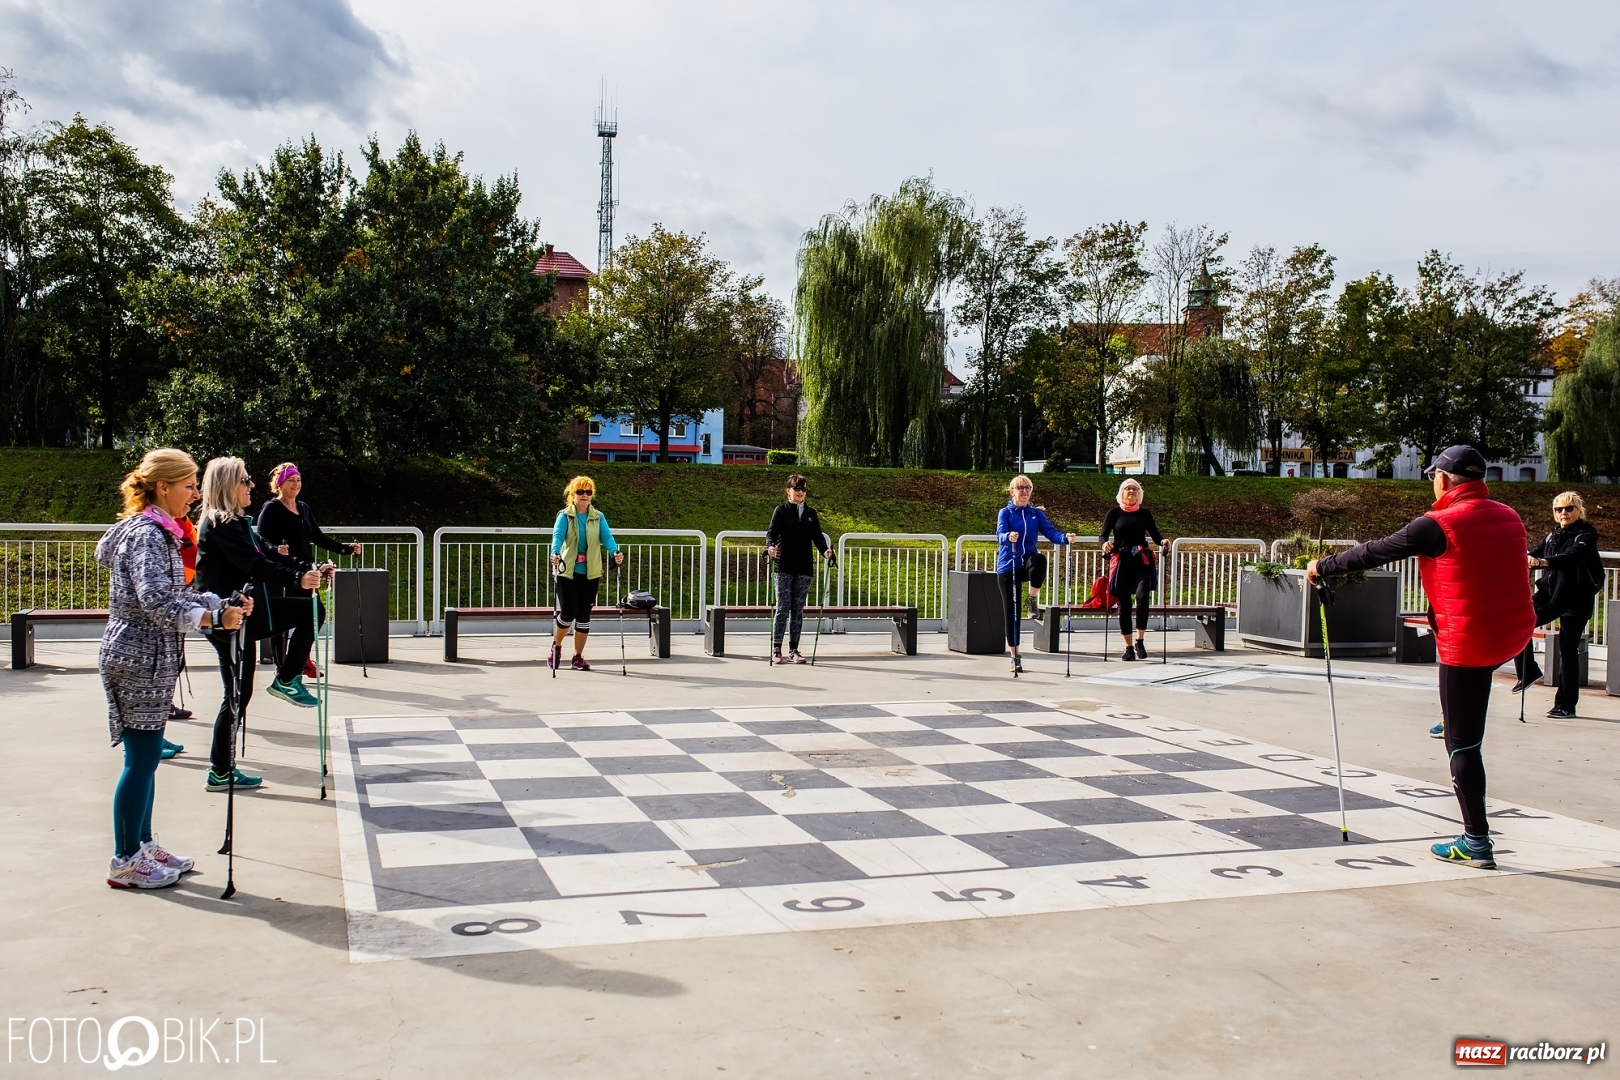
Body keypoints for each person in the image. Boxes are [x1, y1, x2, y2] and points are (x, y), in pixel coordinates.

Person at [1307, 445, 1535, 870]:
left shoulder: (1437, 524)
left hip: (1469, 642)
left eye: (1434, 475)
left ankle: (1476, 841)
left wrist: (1323, 565)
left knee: (1463, 744)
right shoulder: (1509, 514)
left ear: (1445, 479)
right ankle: (1455, 715)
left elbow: (1375, 551)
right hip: (1512, 634)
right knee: (1467, 700)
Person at [95, 448, 249, 888]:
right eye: (188, 485)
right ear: (162, 487)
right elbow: (156, 601)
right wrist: (215, 617)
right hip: (138, 655)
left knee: (145, 757)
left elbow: (172, 595)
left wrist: (222, 603)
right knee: (141, 759)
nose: (195, 493)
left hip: (149, 652)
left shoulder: (159, 530)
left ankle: (142, 844)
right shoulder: (147, 535)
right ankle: (125, 859)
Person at [196, 456, 326, 793]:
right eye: (245, 479)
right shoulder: (220, 523)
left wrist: (306, 571)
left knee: (311, 611)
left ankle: (287, 677)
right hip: (226, 620)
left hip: (246, 615)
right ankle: (220, 770)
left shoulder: (239, 521)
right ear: (228, 486)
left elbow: (267, 551)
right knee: (236, 694)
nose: (251, 485)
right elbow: (255, 563)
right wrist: (298, 577)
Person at [256, 462, 360, 678]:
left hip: (306, 571)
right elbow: (262, 540)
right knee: (281, 622)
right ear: (279, 483)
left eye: (298, 480)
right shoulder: (272, 508)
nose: (296, 484)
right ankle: (281, 665)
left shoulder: (303, 508)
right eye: (291, 480)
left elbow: (318, 536)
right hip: (282, 572)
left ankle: (302, 660)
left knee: (313, 615)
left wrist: (345, 549)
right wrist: (276, 549)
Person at [1514, 491, 1604, 718]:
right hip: (1550, 594)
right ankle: (1529, 671)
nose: (1563, 513)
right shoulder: (1551, 536)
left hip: (1576, 598)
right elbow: (1533, 553)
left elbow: (1573, 557)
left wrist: (1544, 562)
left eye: (1568, 508)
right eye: (1559, 509)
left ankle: (1565, 705)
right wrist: (1527, 558)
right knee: (1517, 624)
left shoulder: (1586, 536)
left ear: (1578, 510)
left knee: (1567, 650)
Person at [996, 475, 1079, 674]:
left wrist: (1065, 538)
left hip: (1027, 564)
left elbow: (1051, 533)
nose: (1024, 491)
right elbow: (999, 534)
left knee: (1040, 559)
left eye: (1028, 488)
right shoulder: (1005, 513)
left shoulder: (1035, 514)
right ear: (1012, 491)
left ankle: (1032, 600)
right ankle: (1015, 655)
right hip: (1009, 565)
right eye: (1020, 488)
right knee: (1011, 613)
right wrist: (1008, 537)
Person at [547, 476, 623, 672]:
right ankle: (556, 647)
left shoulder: (598, 516)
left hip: (590, 573)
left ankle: (578, 657)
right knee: (567, 612)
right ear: (572, 494)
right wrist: (554, 553)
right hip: (568, 572)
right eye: (580, 492)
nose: (584, 495)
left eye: (588, 492)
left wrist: (615, 551)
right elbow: (557, 536)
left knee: (584, 616)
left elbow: (606, 536)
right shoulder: (565, 516)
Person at [765, 473, 834, 664]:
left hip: (804, 567)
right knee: (782, 607)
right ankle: (777, 648)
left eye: (803, 489)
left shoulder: (811, 514)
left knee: (797, 609)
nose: (800, 492)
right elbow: (771, 534)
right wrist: (770, 547)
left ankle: (793, 649)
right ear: (788, 490)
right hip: (783, 565)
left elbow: (818, 537)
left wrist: (826, 551)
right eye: (797, 488)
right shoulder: (780, 511)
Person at [1100, 478, 1165, 661]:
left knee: (1143, 596)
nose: (1131, 491)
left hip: (1141, 561)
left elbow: (1155, 535)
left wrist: (1163, 542)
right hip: (1121, 561)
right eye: (1128, 488)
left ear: (1140, 494)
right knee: (1124, 605)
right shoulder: (1114, 513)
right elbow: (1103, 535)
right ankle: (1128, 647)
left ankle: (1140, 640)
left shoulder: (1144, 514)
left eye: (1135, 489)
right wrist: (1104, 544)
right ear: (1121, 493)